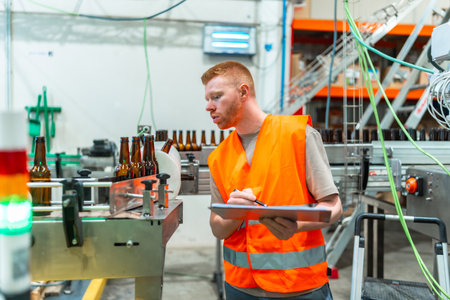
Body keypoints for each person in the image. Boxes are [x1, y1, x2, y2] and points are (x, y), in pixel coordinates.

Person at [201, 61, 343, 300]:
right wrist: (234, 214)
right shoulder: (219, 156)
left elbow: (334, 207)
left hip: (298, 287)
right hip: (239, 287)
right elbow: (217, 227)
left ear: (243, 92)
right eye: (207, 99)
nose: (208, 107)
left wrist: (298, 226)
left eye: (216, 97)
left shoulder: (298, 135)